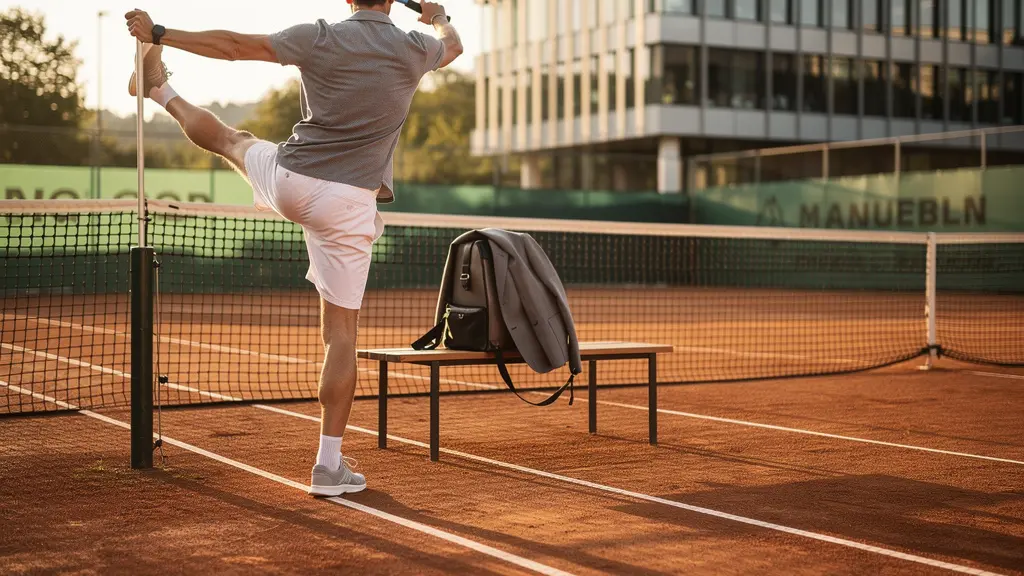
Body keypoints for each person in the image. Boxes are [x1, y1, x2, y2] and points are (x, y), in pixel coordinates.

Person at [124, 0, 463, 496]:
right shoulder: (417, 47)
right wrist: (436, 14)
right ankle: (328, 465)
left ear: (348, 0)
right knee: (341, 335)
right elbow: (453, 45)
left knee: (230, 139)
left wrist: (160, 31)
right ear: (391, 2)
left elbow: (236, 47)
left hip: (294, 181)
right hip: (350, 204)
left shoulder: (319, 35)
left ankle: (156, 89)